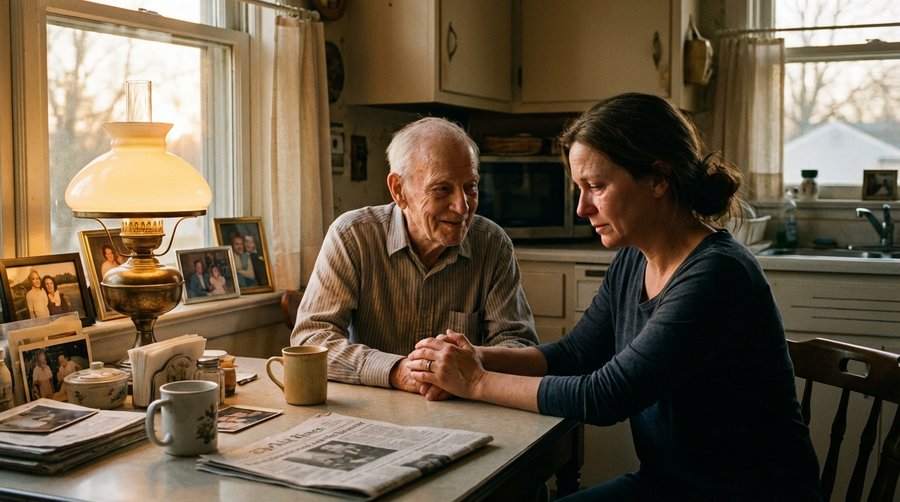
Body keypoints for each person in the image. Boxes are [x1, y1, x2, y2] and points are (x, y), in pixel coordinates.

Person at [409, 94, 823, 501]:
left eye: (596, 186)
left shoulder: (718, 274)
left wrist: (476, 380)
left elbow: (604, 396)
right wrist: (479, 356)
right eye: (579, 188)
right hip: (668, 485)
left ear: (658, 179)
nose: (581, 208)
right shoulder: (632, 259)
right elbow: (575, 353)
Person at [291, 117, 538, 398]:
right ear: (399, 190)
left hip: (462, 411)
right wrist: (398, 371)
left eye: (470, 186)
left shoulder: (493, 244)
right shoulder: (352, 236)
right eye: (442, 189)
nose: (462, 206)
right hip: (374, 410)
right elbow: (312, 338)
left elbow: (517, 344)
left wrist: (465, 370)